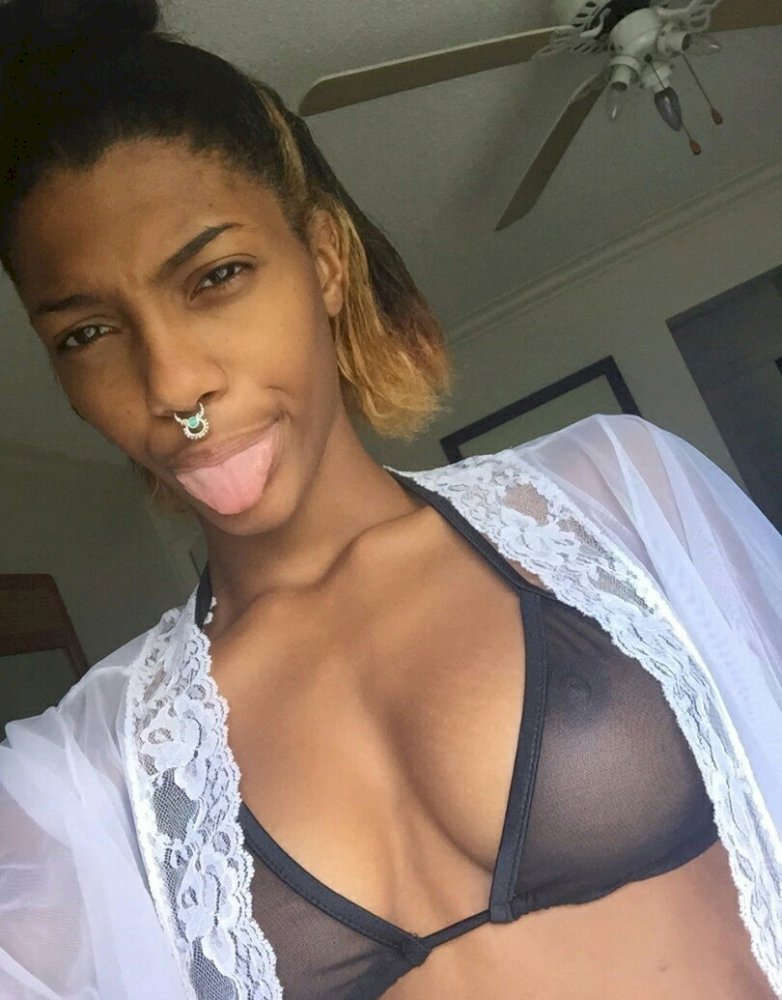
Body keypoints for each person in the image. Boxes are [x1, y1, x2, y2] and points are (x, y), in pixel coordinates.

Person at [0, 1, 780, 997]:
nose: (173, 387)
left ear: (324, 262)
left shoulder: (614, 492)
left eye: (216, 276)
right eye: (86, 334)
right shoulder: (85, 776)